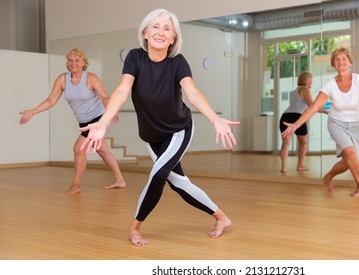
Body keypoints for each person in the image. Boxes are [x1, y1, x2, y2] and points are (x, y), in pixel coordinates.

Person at [80, 9, 240, 246]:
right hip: (151, 136)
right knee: (178, 183)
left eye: (167, 29)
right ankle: (221, 217)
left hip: (179, 129)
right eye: (155, 27)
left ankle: (134, 228)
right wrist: (103, 122)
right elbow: (123, 89)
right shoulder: (135, 58)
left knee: (158, 175)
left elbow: (193, 93)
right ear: (145, 33)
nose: (161, 32)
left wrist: (214, 119)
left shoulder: (177, 62)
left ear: (173, 38)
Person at [281, 47, 359, 197]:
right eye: (337, 59)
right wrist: (296, 125)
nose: (340, 61)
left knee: (347, 162)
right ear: (333, 65)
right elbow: (315, 106)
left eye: (344, 59)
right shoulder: (330, 84)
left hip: (358, 125)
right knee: (350, 152)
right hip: (337, 123)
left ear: (349, 62)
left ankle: (328, 177)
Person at [19, 48, 126, 195]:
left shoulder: (91, 78)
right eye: (70, 60)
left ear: (84, 63)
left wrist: (110, 111)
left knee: (78, 149)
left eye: (77, 60)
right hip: (83, 122)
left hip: (96, 119)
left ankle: (76, 185)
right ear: (67, 63)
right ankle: (120, 179)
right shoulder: (63, 79)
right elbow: (51, 100)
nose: (73, 63)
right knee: (103, 151)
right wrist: (33, 111)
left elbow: (105, 97)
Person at [279, 72, 326, 173]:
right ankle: (300, 165)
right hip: (297, 116)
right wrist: (326, 111)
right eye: (310, 79)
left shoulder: (294, 91)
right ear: (306, 80)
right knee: (303, 142)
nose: (312, 81)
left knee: (286, 143)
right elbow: (312, 106)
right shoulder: (305, 90)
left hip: (286, 116)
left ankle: (283, 168)